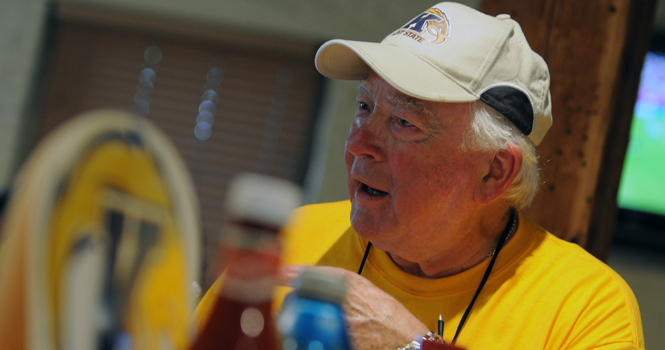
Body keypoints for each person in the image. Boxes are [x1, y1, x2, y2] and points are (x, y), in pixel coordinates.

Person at [196, 2, 644, 349]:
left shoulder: (586, 307)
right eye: (364, 107)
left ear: (494, 172)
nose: (358, 145)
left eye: (404, 123)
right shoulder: (296, 237)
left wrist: (409, 343)